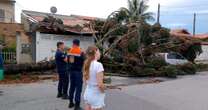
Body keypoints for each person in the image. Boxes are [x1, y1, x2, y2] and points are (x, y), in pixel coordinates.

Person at [83, 46, 105, 110]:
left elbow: (84, 81)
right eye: (99, 51)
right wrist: (104, 89)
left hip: (88, 93)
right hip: (96, 94)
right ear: (95, 53)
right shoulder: (98, 65)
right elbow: (100, 85)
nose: (100, 53)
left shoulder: (86, 63)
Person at [68, 39, 85, 110]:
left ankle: (71, 102)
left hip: (71, 72)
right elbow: (84, 61)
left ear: (73, 43)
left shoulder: (70, 51)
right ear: (79, 44)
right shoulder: (81, 52)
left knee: (72, 87)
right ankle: (77, 105)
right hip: (78, 72)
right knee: (78, 88)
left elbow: (69, 61)